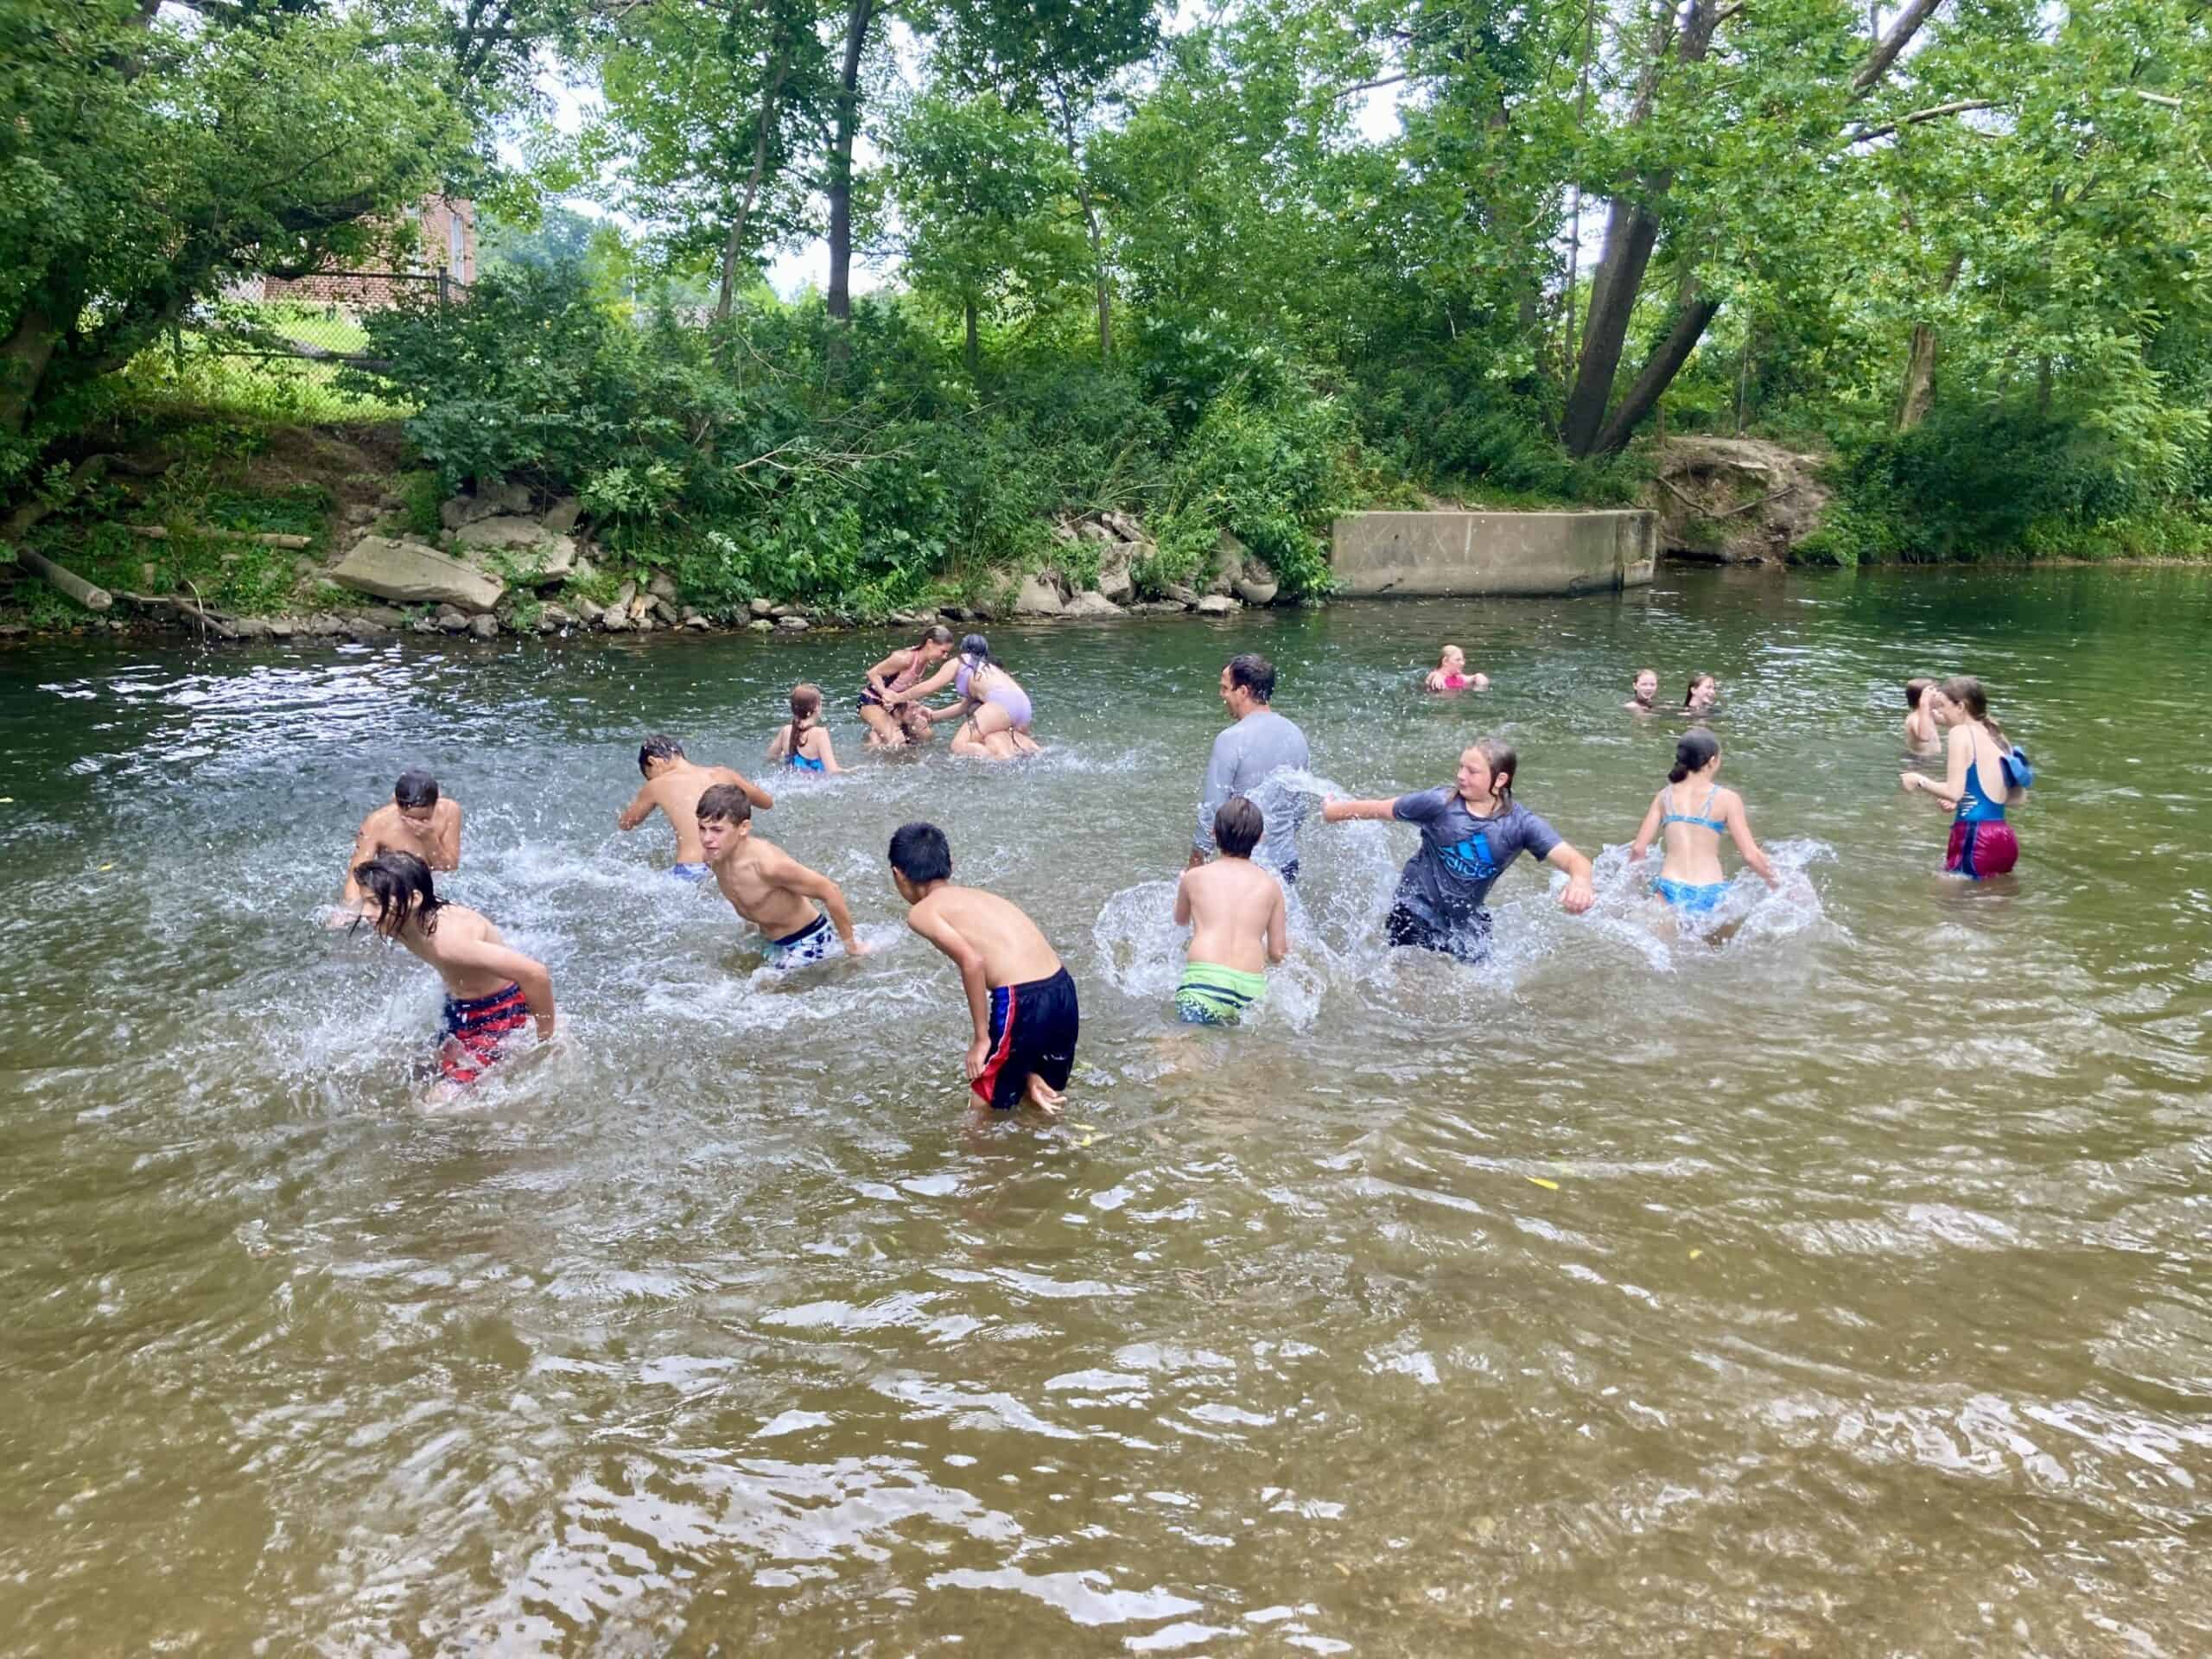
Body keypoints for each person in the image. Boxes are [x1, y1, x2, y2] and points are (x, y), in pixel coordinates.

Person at [1320, 739, 1596, 961]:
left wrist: (1581, 882)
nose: (1460, 776)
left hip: (1465, 920)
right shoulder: (1439, 803)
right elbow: (1380, 808)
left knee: (1481, 984)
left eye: (1472, 771)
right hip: (1413, 907)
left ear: (1500, 780)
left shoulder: (1521, 825)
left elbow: (1575, 860)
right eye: (1461, 767)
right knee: (1411, 980)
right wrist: (1333, 812)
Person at [889, 821, 1078, 1113]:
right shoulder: (980, 897)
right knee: (1043, 1097)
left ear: (898, 874)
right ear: (950, 864)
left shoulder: (922, 912)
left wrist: (981, 1040)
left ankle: (982, 1156)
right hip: (1062, 987)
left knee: (981, 1110)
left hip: (1022, 998)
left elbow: (972, 962)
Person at [351, 850, 555, 1092]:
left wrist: (545, 1040)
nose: (365, 912)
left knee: (436, 1105)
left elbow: (535, 973)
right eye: (365, 901)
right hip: (459, 1007)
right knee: (416, 1072)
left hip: (497, 1013)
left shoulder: (449, 943)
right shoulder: (400, 918)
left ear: (415, 899)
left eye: (374, 902)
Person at [694, 784, 866, 969]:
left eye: (717, 830)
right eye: (702, 828)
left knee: (761, 990)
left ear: (743, 828)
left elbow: (830, 891)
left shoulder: (769, 866)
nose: (707, 839)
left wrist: (851, 946)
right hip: (769, 939)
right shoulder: (713, 857)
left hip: (808, 939)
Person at [1628, 728, 1777, 916]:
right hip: (1711, 890)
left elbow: (1638, 849)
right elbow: (1750, 855)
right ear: (1712, 760)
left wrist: (1633, 890)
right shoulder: (1727, 799)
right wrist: (1779, 885)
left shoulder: (1663, 796)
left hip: (1669, 888)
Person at [1190, 652, 1309, 882]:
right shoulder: (1296, 734)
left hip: (1243, 869)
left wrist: (1194, 870)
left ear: (1243, 692)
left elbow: (1212, 812)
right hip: (1286, 864)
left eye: (1225, 688)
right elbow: (1299, 810)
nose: (1221, 695)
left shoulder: (1231, 738)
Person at [1173, 796, 1289, 1026]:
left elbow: (1180, 920)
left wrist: (1183, 885)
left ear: (1214, 833)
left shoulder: (1194, 877)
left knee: (1187, 1045)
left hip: (1204, 983)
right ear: (1259, 839)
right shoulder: (1271, 886)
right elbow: (1278, 953)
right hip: (1251, 989)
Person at [1902, 674, 2030, 880]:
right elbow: (2017, 798)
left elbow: (1953, 792)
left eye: (1942, 705)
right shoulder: (1997, 736)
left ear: (1960, 707)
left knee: (1947, 905)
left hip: (1975, 837)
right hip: (2004, 837)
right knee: (1994, 905)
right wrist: (1965, 799)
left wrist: (1917, 779)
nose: (1940, 712)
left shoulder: (1960, 733)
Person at [618, 735, 772, 880]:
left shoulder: (657, 785)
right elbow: (766, 803)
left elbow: (626, 824)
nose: (651, 781)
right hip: (732, 866)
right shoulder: (722, 773)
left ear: (654, 761)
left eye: (650, 776)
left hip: (692, 869)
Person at [340, 768, 461, 916]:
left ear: (436, 803)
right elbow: (357, 873)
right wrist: (349, 910)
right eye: (410, 818)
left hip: (434, 879)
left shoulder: (450, 812)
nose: (417, 824)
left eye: (424, 818)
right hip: (398, 880)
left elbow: (449, 868)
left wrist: (429, 839)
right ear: (397, 806)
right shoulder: (377, 823)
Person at [905, 634, 1040, 760]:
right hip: (1024, 707)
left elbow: (929, 686)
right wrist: (932, 716)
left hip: (1002, 705)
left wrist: (898, 697)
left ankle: (996, 760)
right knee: (1016, 743)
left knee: (958, 745)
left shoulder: (962, 661)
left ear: (963, 650)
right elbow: (964, 706)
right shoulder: (992, 670)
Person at [859, 626, 956, 748]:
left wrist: (918, 707)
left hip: (896, 703)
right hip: (872, 701)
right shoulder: (905, 658)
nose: (945, 656)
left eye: (947, 653)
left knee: (925, 735)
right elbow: (872, 673)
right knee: (898, 741)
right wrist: (885, 694)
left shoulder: (924, 662)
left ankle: (878, 734)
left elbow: (906, 689)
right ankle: (872, 746)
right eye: (943, 651)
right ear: (930, 643)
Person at [766, 683, 843, 774]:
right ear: (816, 708)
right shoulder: (820, 733)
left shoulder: (786, 730)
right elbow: (833, 771)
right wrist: (856, 770)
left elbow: (771, 757)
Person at [1423, 645, 1489, 693]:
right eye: (1458, 660)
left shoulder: (1460, 677)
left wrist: (1478, 675)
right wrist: (1436, 675)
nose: (1462, 663)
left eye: (1463, 660)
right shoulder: (1436, 676)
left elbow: (1474, 678)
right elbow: (1430, 678)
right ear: (1445, 661)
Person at [1903, 677, 1942, 756]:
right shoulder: (1915, 718)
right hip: (1917, 760)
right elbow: (1924, 737)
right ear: (1923, 700)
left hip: (1931, 759)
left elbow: (1951, 721)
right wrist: (1924, 705)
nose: (1940, 697)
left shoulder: (1932, 714)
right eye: (1935, 695)